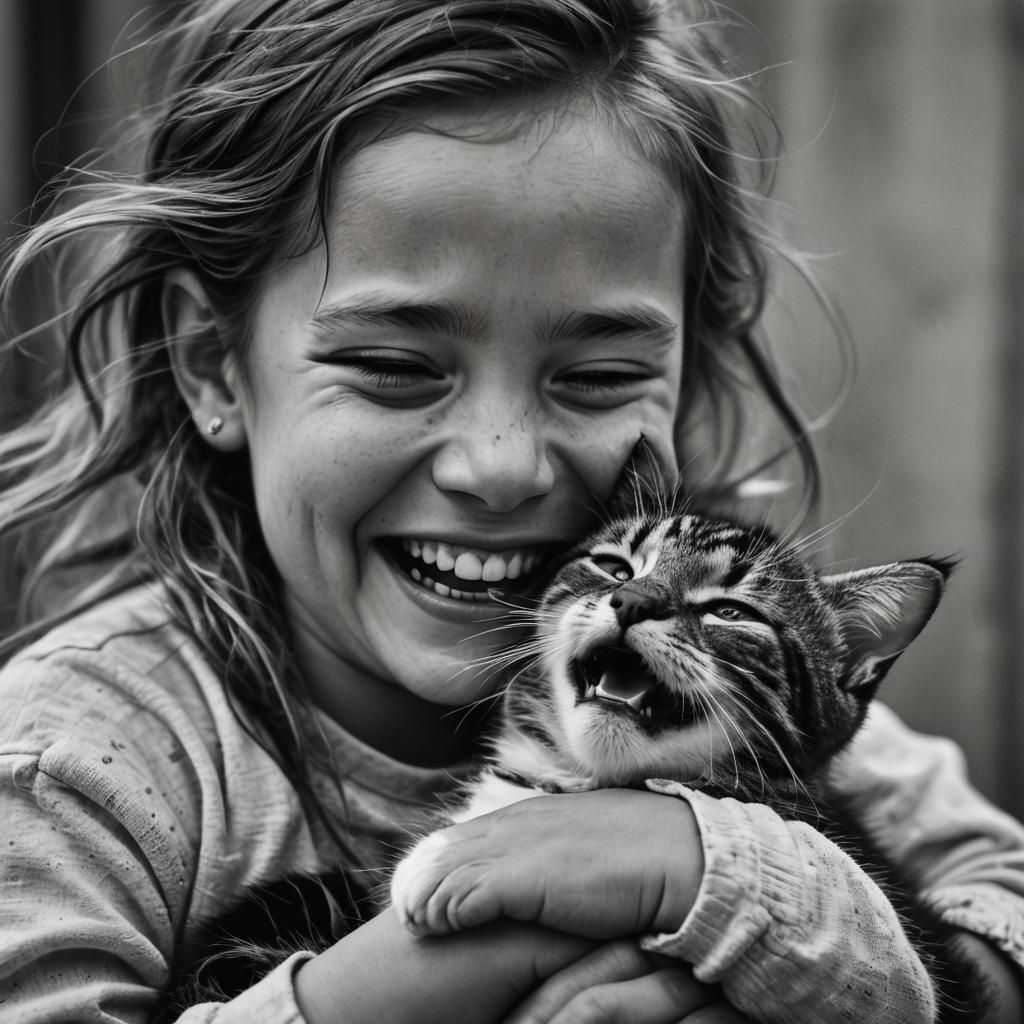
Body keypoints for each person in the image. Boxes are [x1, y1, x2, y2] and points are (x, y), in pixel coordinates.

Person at [0, 1, 1022, 1021]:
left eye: (596, 376)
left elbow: (1002, 903)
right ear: (210, 363)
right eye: (394, 364)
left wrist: (734, 879)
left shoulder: (732, 701)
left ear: (684, 378)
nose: (502, 466)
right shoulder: (72, 760)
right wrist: (470, 950)